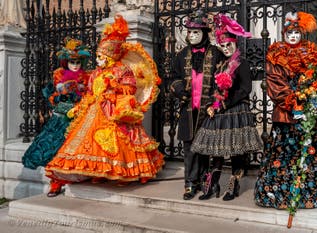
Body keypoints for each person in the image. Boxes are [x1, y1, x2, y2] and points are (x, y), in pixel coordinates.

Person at [44, 15, 164, 197]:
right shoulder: (96, 73)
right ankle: (75, 176)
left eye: (100, 57)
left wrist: (114, 87)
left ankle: (114, 173)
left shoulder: (122, 70)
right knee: (82, 143)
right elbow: (91, 92)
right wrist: (79, 107)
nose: (98, 60)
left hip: (114, 111)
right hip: (93, 111)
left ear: (109, 56)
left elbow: (130, 89)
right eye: (98, 56)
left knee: (118, 141)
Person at [254, 12, 317, 226]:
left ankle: (315, 195)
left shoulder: (312, 52)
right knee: (286, 153)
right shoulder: (276, 54)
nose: (293, 36)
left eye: (297, 32)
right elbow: (275, 84)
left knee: (312, 152)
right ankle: (281, 195)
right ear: (284, 33)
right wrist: (296, 101)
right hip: (288, 114)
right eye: (290, 32)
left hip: (312, 114)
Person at [191, 13, 262, 201]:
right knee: (217, 150)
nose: (225, 49)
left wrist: (225, 103)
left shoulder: (242, 63)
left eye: (228, 45)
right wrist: (213, 104)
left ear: (235, 43)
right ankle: (212, 183)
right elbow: (215, 87)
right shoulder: (221, 64)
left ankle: (233, 184)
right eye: (222, 46)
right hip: (220, 112)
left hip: (236, 111)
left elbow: (245, 89)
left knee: (236, 151)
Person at [170, 9, 226, 200]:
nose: (192, 35)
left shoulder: (217, 54)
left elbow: (224, 80)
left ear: (204, 34)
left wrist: (216, 101)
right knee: (190, 148)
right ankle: (190, 184)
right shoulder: (181, 54)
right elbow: (174, 78)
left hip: (209, 110)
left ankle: (207, 182)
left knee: (207, 148)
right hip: (188, 109)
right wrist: (179, 89)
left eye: (196, 32)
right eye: (190, 32)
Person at [22, 37, 91, 170]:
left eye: (78, 62)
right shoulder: (58, 76)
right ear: (67, 62)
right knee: (51, 144)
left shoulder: (87, 78)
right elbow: (49, 94)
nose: (75, 65)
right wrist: (57, 99)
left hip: (78, 115)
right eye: (72, 62)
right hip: (60, 116)